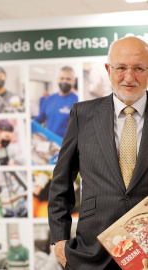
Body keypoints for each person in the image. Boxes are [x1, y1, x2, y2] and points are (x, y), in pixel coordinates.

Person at [48, 36, 148, 270]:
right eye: (121, 68)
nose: (129, 77)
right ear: (108, 69)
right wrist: (60, 238)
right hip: (92, 250)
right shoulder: (83, 115)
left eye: (139, 68)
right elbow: (61, 181)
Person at [33, 66, 78, 138]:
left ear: (74, 81)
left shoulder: (77, 101)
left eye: (68, 79)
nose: (64, 81)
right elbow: (39, 119)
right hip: (50, 145)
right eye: (62, 78)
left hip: (67, 146)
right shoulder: (49, 99)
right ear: (58, 79)